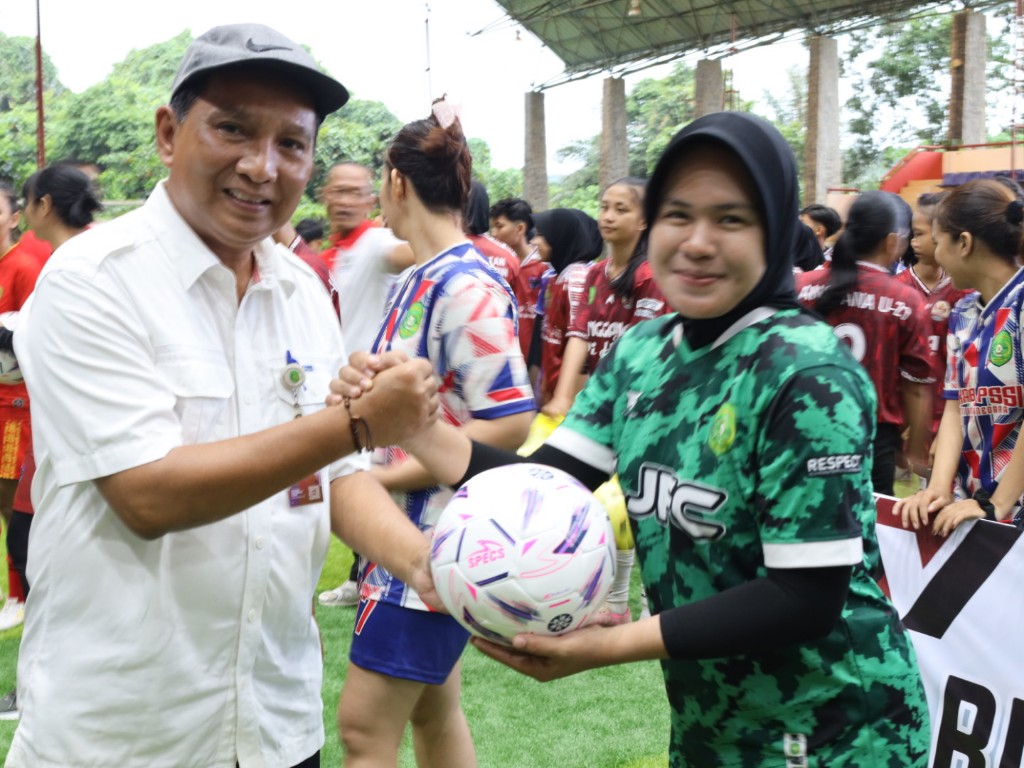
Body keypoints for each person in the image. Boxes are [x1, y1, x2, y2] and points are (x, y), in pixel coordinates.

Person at [337, 111, 930, 767]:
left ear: (773, 230)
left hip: (836, 729)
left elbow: (806, 597)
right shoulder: (645, 352)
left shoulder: (807, 373)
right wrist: (415, 427)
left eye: (731, 219)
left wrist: (605, 646)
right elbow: (541, 484)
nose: (697, 242)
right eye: (678, 215)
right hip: (711, 720)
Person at [6, 24, 441, 768]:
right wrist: (358, 423)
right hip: (124, 736)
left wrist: (429, 567)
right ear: (168, 134)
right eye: (233, 129)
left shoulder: (301, 289)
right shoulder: (92, 280)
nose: (261, 165)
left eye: (291, 143)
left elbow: (334, 481)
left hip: (275, 723)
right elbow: (147, 494)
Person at [334, 100, 534, 768]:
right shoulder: (421, 277)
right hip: (411, 539)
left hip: (435, 538)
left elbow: (509, 421)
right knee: (434, 713)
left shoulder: (465, 284)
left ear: (396, 182)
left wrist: (383, 476)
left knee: (364, 731)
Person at [0, 167, 103, 723]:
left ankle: (47, 692)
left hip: (69, 444)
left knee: (41, 558)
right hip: (63, 444)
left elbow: (35, 341)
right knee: (31, 549)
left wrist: (8, 338)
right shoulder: (82, 254)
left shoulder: (67, 263)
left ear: (38, 207)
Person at [896, 179, 1024, 536]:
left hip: (1010, 515)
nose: (934, 254)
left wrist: (998, 503)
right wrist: (938, 488)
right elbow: (956, 405)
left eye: (938, 242)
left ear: (964, 243)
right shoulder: (964, 312)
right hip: (974, 507)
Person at [315, 161, 416, 609]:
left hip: (367, 391)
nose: (344, 200)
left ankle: (377, 581)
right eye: (337, 191)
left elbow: (413, 252)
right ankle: (366, 578)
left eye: (354, 192)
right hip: (336, 390)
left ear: (371, 199)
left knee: (362, 483)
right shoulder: (330, 253)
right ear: (324, 195)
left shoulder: (375, 245)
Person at [796, 191, 935, 495]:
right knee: (869, 519)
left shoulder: (801, 287)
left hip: (801, 428)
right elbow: (915, 385)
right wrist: (914, 448)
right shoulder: (905, 300)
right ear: (892, 241)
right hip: (871, 440)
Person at [898, 191, 971, 466]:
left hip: (952, 414)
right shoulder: (897, 289)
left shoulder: (967, 292)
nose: (913, 242)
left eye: (920, 234)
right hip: (905, 417)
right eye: (912, 234)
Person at [489, 197, 546, 366]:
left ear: (520, 228)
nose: (494, 233)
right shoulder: (495, 266)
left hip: (534, 363)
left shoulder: (543, 268)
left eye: (499, 226)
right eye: (492, 227)